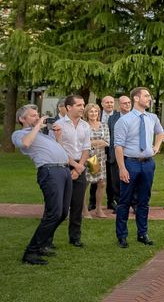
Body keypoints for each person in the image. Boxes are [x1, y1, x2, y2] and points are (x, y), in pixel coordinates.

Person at [12, 105, 72, 265]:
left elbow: (58, 150)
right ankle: (31, 253)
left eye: (37, 114)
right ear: (22, 119)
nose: (37, 117)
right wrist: (38, 125)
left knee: (63, 213)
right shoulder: (19, 134)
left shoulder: (43, 134)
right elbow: (25, 144)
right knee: (54, 213)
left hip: (63, 170)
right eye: (32, 115)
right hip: (49, 172)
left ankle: (43, 244)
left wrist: (58, 136)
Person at [113, 87, 164, 248]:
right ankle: (122, 236)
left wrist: (156, 146)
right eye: (146, 96)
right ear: (136, 98)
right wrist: (122, 168)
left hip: (148, 164)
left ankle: (143, 233)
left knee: (144, 200)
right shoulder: (124, 120)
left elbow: (160, 133)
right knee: (125, 201)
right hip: (131, 163)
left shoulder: (152, 117)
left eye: (149, 96)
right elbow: (118, 146)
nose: (149, 98)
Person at [53, 95, 91, 247]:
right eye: (79, 105)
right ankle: (48, 238)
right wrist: (75, 165)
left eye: (83, 105)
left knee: (77, 204)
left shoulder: (85, 126)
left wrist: (79, 166)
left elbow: (86, 148)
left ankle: (75, 237)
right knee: (59, 206)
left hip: (80, 166)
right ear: (69, 107)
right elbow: (58, 148)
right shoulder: (58, 125)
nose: (83, 107)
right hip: (63, 166)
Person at [84, 103, 110, 218]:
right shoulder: (83, 125)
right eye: (91, 111)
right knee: (86, 184)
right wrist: (97, 142)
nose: (93, 114)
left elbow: (107, 142)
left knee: (102, 183)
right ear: (86, 113)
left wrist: (93, 143)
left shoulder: (104, 125)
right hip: (88, 158)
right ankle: (84, 210)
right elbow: (83, 143)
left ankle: (98, 209)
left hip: (100, 158)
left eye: (95, 111)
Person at [106, 95, 131, 211]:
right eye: (125, 103)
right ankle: (119, 204)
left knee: (132, 180)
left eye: (129, 103)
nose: (127, 105)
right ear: (119, 105)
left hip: (131, 154)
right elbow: (109, 137)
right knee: (116, 181)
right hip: (115, 154)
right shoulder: (112, 118)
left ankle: (134, 204)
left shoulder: (135, 117)